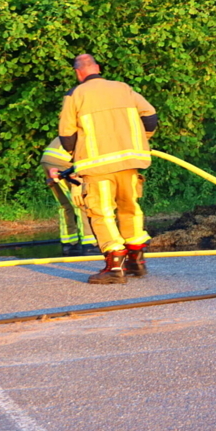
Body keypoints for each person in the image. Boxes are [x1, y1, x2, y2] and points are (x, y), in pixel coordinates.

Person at [51, 54, 158, 284]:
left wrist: (74, 159)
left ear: (78, 72)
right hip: (130, 162)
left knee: (101, 212)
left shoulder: (75, 95)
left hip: (96, 166)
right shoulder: (123, 88)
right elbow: (150, 116)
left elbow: (66, 134)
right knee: (130, 207)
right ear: (97, 68)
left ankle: (115, 266)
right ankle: (136, 262)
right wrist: (141, 140)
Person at [40, 137, 97, 256]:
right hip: (64, 163)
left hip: (48, 159)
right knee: (81, 202)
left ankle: (69, 244)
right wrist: (76, 178)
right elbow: (82, 155)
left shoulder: (75, 124)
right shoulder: (94, 130)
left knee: (65, 205)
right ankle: (90, 244)